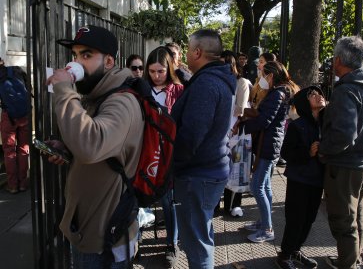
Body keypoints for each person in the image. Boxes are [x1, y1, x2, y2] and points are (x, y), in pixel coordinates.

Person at [46, 25, 145, 269]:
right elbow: (102, 147)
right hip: (90, 227)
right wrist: (68, 149)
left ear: (109, 61)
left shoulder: (122, 102)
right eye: (76, 55)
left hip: (105, 237)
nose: (76, 63)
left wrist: (63, 89)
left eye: (86, 55)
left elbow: (91, 145)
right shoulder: (99, 94)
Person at [171, 29, 236, 269]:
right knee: (202, 233)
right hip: (210, 169)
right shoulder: (215, 78)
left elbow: (191, 135)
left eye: (188, 50)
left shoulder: (207, 84)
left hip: (197, 174)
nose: (186, 54)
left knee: (196, 243)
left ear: (197, 52)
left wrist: (173, 164)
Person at [319, 36, 363, 269]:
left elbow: (344, 135)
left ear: (339, 60)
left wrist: (323, 148)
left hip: (346, 164)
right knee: (356, 215)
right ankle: (353, 259)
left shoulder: (346, 90)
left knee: (344, 221)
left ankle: (347, 264)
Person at [239, 61, 299, 243]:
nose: (260, 77)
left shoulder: (277, 94)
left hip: (269, 145)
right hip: (270, 143)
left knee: (257, 186)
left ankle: (267, 229)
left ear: (271, 76)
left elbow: (264, 120)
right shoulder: (280, 91)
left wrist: (241, 127)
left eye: (262, 73)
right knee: (264, 186)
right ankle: (264, 221)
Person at [276, 86, 326, 269]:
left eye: (319, 93)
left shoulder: (326, 123)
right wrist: (308, 152)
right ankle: (284, 254)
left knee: (310, 218)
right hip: (300, 180)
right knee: (296, 218)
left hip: (317, 180)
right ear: (305, 103)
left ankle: (296, 249)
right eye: (312, 95)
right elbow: (287, 152)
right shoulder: (298, 126)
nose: (319, 96)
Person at [145, 46, 184, 268]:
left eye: (160, 71)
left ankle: (172, 243)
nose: (156, 76)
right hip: (146, 150)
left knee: (169, 201)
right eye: (151, 71)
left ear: (169, 69)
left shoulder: (178, 90)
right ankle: (135, 238)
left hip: (168, 152)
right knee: (142, 195)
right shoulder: (141, 89)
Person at [220, 50, 251, 217]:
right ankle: (216, 204)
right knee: (220, 169)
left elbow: (242, 109)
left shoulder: (241, 83)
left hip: (236, 132)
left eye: (227, 63)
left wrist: (235, 126)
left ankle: (234, 204)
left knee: (237, 169)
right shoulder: (215, 81)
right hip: (219, 133)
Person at [0, 58, 29, 194]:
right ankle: (23, 183)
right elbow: (29, 89)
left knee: (9, 151)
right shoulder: (17, 70)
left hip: (8, 117)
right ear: (2, 61)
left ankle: (12, 186)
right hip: (24, 114)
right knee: (23, 148)